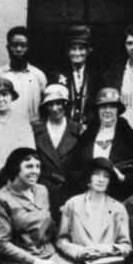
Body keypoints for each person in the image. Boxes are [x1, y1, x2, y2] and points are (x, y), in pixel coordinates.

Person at [72, 88, 133, 200]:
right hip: (89, 196)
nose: (107, 111)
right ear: (97, 110)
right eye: (103, 107)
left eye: (112, 107)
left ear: (118, 110)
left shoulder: (130, 137)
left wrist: (123, 178)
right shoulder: (87, 136)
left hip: (118, 197)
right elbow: (74, 168)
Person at [31, 84, 83, 220]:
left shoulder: (78, 130)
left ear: (65, 104)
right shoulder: (35, 130)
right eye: (50, 104)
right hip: (42, 194)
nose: (55, 108)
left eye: (58, 103)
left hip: (70, 194)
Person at [0, 26, 47, 123]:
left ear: (29, 48)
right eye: (14, 45)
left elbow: (46, 107)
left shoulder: (38, 76)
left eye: (23, 45)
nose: (18, 49)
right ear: (8, 48)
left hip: (32, 132)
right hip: (4, 131)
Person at [52, 25, 101, 126]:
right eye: (73, 49)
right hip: (64, 129)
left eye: (81, 49)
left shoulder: (96, 77)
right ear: (67, 51)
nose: (77, 53)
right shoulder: (57, 76)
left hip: (89, 130)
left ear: (88, 50)